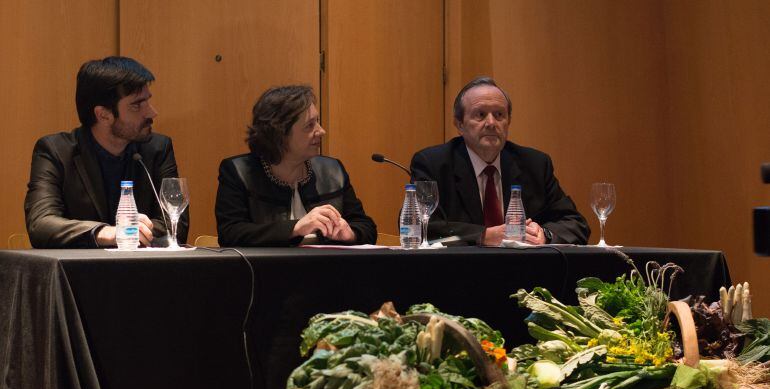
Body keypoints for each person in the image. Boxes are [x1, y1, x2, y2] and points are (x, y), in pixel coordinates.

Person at [24, 56, 188, 248]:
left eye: (148, 101)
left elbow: (176, 227)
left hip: (143, 272)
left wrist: (127, 233)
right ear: (103, 114)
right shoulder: (56, 151)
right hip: (76, 274)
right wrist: (103, 233)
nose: (152, 113)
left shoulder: (157, 148)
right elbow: (41, 224)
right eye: (137, 105)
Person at [410, 77, 590, 246]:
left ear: (508, 121)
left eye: (499, 115)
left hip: (525, 272)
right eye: (480, 115)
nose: (491, 122)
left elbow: (575, 224)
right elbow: (418, 226)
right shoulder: (433, 164)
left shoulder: (535, 164)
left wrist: (545, 234)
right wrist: (483, 235)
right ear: (459, 124)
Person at [215, 85, 376, 247]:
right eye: (310, 125)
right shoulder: (238, 172)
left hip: (328, 269)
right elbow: (230, 233)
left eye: (317, 122)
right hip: (265, 271)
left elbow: (367, 227)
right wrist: (296, 228)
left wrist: (351, 233)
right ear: (279, 134)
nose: (321, 131)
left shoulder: (333, 171)